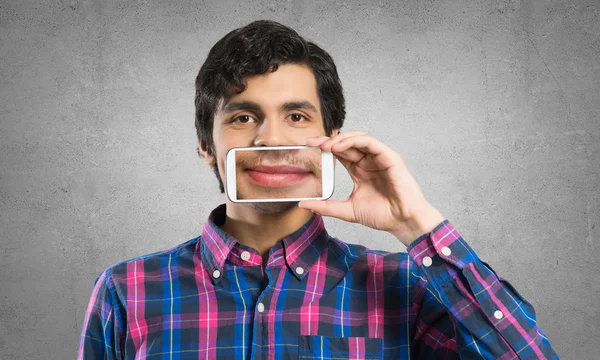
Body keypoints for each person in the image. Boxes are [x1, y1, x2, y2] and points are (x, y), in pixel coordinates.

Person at [78, 20, 558, 359]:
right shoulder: (126, 291)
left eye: (297, 116)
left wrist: (415, 223)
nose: (272, 140)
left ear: (332, 139)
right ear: (207, 144)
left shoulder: (407, 288)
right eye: (244, 117)